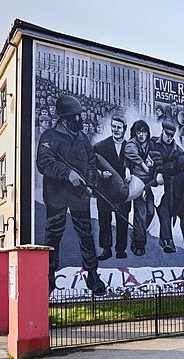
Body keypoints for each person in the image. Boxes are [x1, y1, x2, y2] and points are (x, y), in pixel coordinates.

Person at [37, 95, 106, 295]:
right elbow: (44, 162)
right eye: (74, 117)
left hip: (79, 196)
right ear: (64, 118)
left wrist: (90, 180)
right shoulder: (49, 136)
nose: (79, 120)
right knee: (53, 236)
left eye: (79, 116)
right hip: (56, 196)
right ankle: (48, 277)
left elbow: (92, 161)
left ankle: (93, 276)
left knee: (86, 235)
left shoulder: (82, 137)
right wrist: (68, 173)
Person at [93, 115, 131, 260]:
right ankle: (106, 249)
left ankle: (121, 249)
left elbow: (135, 166)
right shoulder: (100, 146)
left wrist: (130, 173)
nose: (115, 130)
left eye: (119, 127)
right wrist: (101, 173)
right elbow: (91, 165)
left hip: (123, 190)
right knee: (104, 219)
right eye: (113, 126)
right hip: (105, 189)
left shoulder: (130, 148)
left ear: (124, 130)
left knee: (122, 219)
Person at [148, 120, 184, 253]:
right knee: (148, 213)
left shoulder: (178, 151)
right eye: (167, 134)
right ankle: (139, 236)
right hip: (149, 182)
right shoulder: (151, 142)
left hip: (166, 187)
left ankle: (167, 241)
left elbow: (181, 169)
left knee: (165, 212)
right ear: (162, 131)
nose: (169, 138)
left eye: (172, 135)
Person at [124, 120, 156, 256]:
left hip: (149, 184)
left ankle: (139, 232)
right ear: (135, 133)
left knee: (150, 213)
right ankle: (139, 243)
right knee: (140, 213)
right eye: (139, 132)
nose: (141, 135)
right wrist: (127, 170)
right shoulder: (132, 144)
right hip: (136, 181)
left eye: (144, 132)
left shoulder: (152, 144)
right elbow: (127, 159)